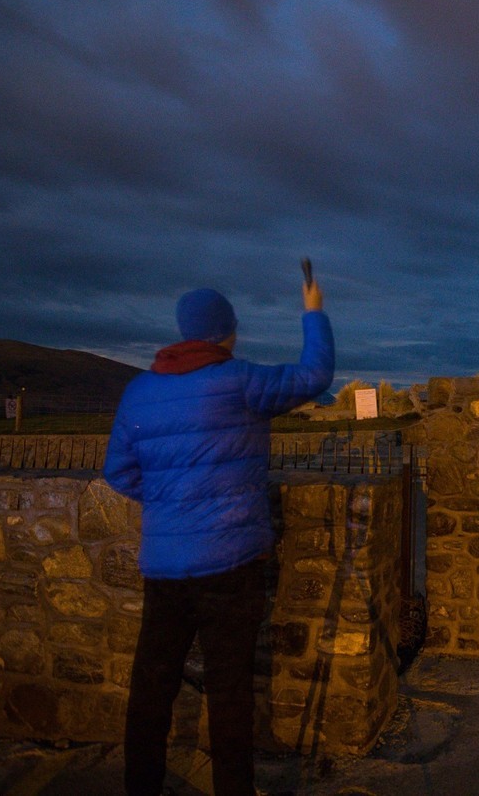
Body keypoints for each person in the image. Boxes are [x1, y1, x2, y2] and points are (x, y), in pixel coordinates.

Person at [103, 273, 333, 796]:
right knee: (229, 691)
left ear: (184, 331)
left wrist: (172, 501)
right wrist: (313, 310)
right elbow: (315, 374)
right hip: (231, 563)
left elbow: (119, 472)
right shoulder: (241, 382)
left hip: (165, 567)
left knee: (152, 687)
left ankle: (141, 787)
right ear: (228, 331)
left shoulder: (139, 392)